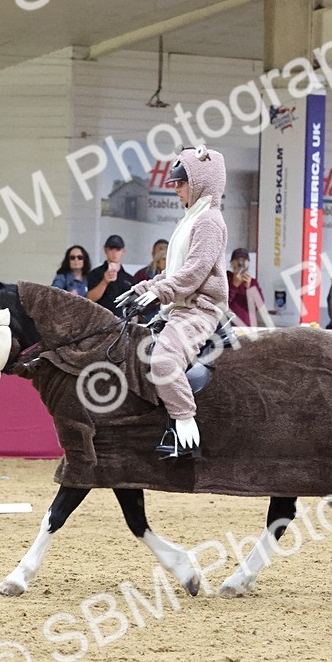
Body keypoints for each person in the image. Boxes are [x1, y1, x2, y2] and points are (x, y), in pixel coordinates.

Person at [118, 146, 229, 459]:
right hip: (177, 307)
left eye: (181, 183)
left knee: (163, 362)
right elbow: (174, 271)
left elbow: (195, 271)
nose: (176, 188)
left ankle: (183, 424)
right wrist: (144, 288)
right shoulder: (190, 219)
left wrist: (160, 293)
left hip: (198, 310)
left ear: (201, 182)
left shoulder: (209, 221)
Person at [87, 234, 135, 317]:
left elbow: (133, 304)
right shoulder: (95, 273)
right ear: (105, 250)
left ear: (123, 251)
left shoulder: (129, 278)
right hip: (99, 319)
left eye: (118, 249)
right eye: (111, 249)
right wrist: (104, 282)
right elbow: (90, 298)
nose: (114, 253)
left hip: (122, 320)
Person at [226, 248, 265, 326]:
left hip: (247, 327)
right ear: (231, 262)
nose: (241, 263)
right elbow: (223, 303)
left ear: (249, 263)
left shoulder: (252, 282)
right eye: (237, 260)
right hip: (228, 325)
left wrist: (249, 287)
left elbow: (258, 305)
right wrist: (234, 285)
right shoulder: (226, 279)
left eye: (244, 260)